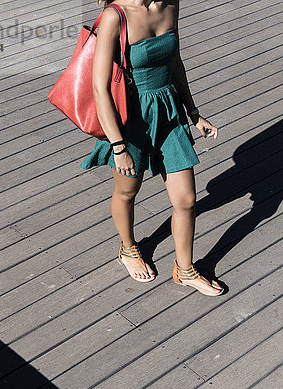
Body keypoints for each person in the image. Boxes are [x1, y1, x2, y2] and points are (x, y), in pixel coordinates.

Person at [81, 0, 223, 296]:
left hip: (169, 112)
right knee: (127, 191)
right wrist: (118, 146)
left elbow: (175, 63)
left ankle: (185, 270)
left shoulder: (171, 4)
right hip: (131, 119)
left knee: (186, 200)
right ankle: (128, 248)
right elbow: (100, 88)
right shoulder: (114, 16)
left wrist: (194, 114)